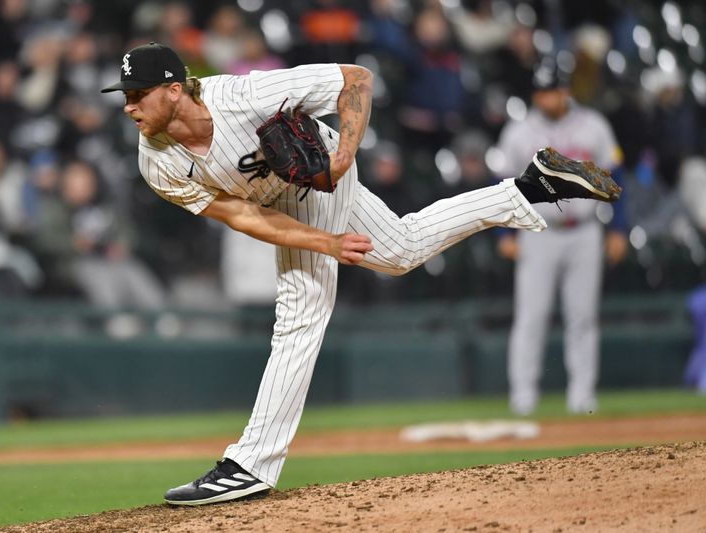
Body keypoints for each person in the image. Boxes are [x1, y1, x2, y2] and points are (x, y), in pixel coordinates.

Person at [100, 42, 620, 506]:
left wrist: (344, 155)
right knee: (401, 249)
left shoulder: (244, 95)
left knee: (302, 309)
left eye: (137, 92)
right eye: (125, 94)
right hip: (278, 197)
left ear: (173, 90)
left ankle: (250, 465)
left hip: (321, 169)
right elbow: (241, 215)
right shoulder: (157, 162)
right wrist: (326, 243)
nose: (128, 105)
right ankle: (531, 188)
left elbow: (356, 79)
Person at [495, 58, 628, 416]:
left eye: (551, 91)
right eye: (541, 92)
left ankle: (582, 396)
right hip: (537, 232)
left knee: (582, 316)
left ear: (564, 90)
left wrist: (618, 228)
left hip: (584, 231)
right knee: (531, 315)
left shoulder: (594, 126)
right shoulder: (519, 132)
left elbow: (616, 178)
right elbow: (503, 186)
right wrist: (505, 232)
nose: (546, 99)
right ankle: (523, 396)